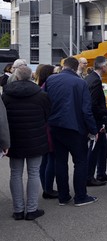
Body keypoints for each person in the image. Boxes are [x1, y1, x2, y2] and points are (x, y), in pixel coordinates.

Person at [44, 56, 98, 207]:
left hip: (55, 126)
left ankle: (63, 196)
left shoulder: (51, 80)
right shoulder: (80, 83)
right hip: (75, 128)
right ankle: (80, 196)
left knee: (60, 162)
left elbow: (45, 102)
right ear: (76, 68)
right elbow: (86, 110)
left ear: (63, 66)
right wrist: (93, 130)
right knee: (80, 162)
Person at [3, 66, 51, 220]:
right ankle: (31, 209)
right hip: (35, 137)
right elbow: (47, 115)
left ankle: (18, 210)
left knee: (15, 173)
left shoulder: (6, 95)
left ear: (15, 77)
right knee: (33, 173)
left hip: (14, 138)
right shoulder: (41, 94)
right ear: (31, 76)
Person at [85, 56, 107, 187]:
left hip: (97, 118)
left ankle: (101, 172)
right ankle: (89, 176)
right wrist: (103, 114)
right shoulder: (94, 81)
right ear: (103, 66)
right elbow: (93, 103)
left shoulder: (91, 78)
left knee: (102, 147)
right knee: (94, 148)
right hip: (96, 120)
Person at [36, 64, 58, 199]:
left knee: (44, 159)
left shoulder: (40, 88)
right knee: (51, 158)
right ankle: (48, 188)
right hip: (49, 127)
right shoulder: (47, 89)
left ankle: (46, 187)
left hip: (42, 127)